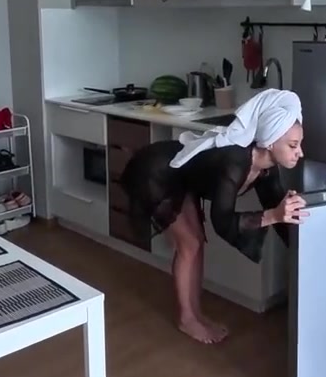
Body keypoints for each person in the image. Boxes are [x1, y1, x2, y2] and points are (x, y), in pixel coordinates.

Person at [119, 89, 309, 344]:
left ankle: (196, 314)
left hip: (181, 178)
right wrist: (274, 215)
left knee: (196, 242)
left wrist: (304, 253)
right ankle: (187, 319)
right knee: (190, 244)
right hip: (157, 170)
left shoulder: (267, 170)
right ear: (270, 142)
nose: (300, 153)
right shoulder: (236, 161)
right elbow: (222, 222)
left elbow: (280, 215)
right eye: (293, 145)